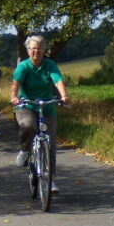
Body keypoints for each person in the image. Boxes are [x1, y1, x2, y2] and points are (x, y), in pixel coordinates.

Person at [9, 35, 70, 193]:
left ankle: (51, 180)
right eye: (33, 49)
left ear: (44, 51)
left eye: (40, 49)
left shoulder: (49, 65)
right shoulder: (24, 66)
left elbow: (57, 80)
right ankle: (24, 149)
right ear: (28, 50)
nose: (36, 51)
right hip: (26, 105)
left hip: (46, 106)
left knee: (50, 144)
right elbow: (16, 83)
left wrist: (64, 95)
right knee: (28, 126)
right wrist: (14, 97)